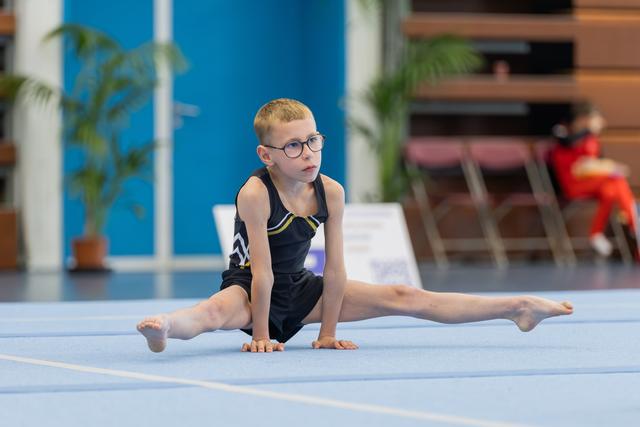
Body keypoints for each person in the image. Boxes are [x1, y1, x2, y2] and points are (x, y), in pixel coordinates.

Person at [137, 98, 573, 353]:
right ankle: (166, 329)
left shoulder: (331, 191)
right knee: (212, 313)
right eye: (293, 146)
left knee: (407, 295)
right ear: (266, 155)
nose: (308, 153)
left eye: (313, 141)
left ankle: (517, 308)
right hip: (250, 291)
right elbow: (263, 273)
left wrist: (327, 333)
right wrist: (262, 337)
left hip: (303, 289)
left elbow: (336, 270)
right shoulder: (255, 193)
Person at [550, 102, 639, 258]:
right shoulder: (564, 134)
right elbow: (581, 167)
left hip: (591, 184)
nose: (602, 123)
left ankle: (601, 232)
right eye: (597, 118)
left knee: (611, 191)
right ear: (584, 119)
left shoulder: (590, 140)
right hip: (572, 184)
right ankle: (634, 224)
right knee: (616, 181)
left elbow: (591, 165)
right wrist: (611, 168)